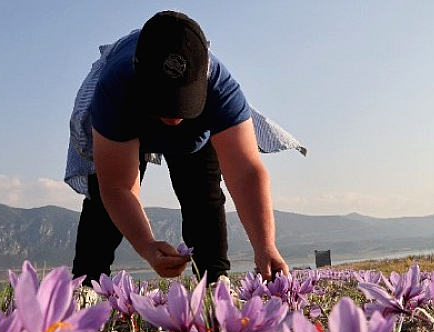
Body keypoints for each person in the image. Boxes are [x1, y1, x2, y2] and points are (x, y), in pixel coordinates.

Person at [64, 10, 305, 284]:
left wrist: (265, 246)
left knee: (202, 192)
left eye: (181, 104)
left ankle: (214, 279)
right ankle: (88, 282)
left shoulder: (221, 88)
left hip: (196, 128)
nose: (171, 119)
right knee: (101, 201)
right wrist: (147, 246)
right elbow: (117, 186)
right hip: (128, 116)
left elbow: (245, 171)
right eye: (161, 105)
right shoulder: (114, 89)